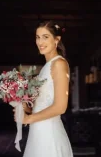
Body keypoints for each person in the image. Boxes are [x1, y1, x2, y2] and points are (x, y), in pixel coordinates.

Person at [15, 21, 73, 157]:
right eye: (37, 37)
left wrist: (29, 119)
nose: (40, 41)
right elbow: (42, 104)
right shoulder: (46, 67)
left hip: (49, 133)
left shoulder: (59, 64)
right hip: (38, 131)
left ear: (57, 40)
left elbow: (60, 107)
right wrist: (25, 108)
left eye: (45, 37)